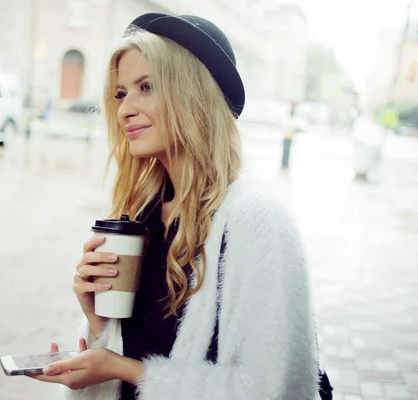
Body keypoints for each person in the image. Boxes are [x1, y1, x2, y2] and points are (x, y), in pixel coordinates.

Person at [33, 13, 322, 399]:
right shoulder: (143, 214)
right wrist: (100, 322)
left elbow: (273, 388)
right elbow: (135, 348)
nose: (124, 110)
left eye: (146, 86)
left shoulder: (258, 218)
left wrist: (122, 369)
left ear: (194, 96)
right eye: (121, 93)